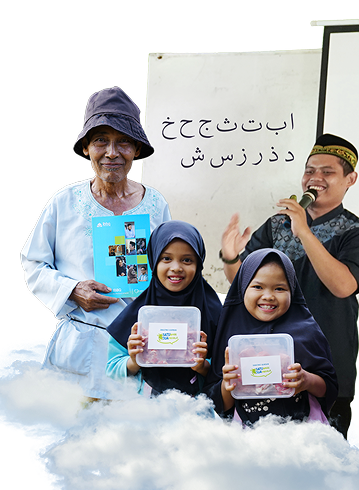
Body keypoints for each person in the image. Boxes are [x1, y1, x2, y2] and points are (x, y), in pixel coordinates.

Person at [219, 134, 359, 436]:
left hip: (325, 365)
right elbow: (242, 281)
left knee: (320, 456)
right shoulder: (276, 225)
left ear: (350, 179)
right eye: (309, 171)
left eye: (327, 172)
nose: (315, 178)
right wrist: (230, 257)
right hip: (268, 360)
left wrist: (304, 231)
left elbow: (344, 286)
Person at [21, 86, 171, 401]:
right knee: (69, 428)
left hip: (135, 350)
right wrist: (72, 289)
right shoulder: (64, 202)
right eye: (101, 140)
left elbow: (169, 271)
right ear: (87, 148)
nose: (112, 152)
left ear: (136, 150)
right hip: (78, 349)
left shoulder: (156, 205)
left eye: (124, 141)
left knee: (128, 430)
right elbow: (33, 263)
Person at [204, 248, 337, 425]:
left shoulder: (307, 332)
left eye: (279, 288)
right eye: (258, 287)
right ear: (243, 288)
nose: (268, 296)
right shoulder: (231, 336)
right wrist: (228, 385)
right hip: (246, 433)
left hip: (302, 431)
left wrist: (307, 380)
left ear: (292, 291)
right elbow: (218, 405)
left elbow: (329, 389)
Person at [106, 221, 223, 396]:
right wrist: (135, 360)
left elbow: (229, 372)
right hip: (148, 407)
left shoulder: (215, 313)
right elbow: (111, 369)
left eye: (187, 260)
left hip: (200, 408)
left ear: (198, 264)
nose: (176, 268)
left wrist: (202, 366)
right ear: (154, 261)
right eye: (166, 258)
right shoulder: (139, 313)